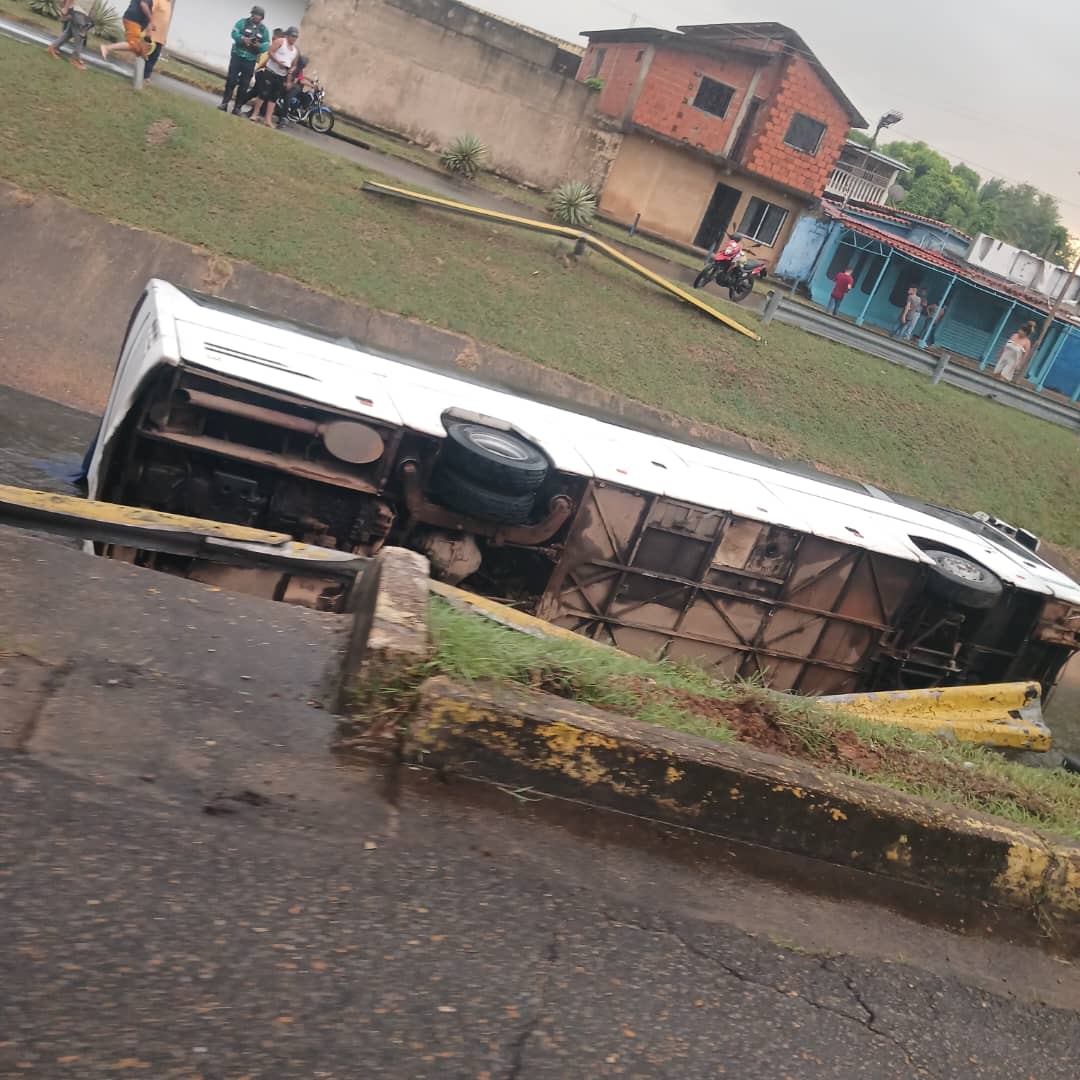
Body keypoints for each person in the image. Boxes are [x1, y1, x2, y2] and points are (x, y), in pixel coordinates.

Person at [220, 6, 269, 114]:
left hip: (250, 60)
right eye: (255, 14)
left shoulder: (264, 30)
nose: (257, 17)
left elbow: (266, 45)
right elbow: (234, 33)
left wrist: (258, 45)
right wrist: (243, 39)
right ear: (251, 14)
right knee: (231, 80)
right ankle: (224, 103)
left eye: (259, 15)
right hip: (237, 55)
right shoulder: (242, 22)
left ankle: (237, 107)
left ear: (262, 17)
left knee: (244, 84)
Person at [252, 25, 299, 128]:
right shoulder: (281, 42)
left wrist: (290, 72)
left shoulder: (295, 50)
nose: (294, 39)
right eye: (292, 36)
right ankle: (255, 113)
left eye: (296, 37)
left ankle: (267, 119)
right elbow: (270, 52)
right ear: (288, 35)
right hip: (271, 71)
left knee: (274, 97)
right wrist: (278, 62)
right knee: (263, 93)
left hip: (281, 74)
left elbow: (294, 65)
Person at [101, 0, 154, 65]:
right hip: (134, 20)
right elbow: (143, 5)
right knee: (133, 45)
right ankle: (107, 48)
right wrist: (151, 20)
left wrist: (149, 27)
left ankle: (141, 54)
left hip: (134, 21)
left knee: (138, 48)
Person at [46, 0, 91, 70]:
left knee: (69, 33)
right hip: (77, 11)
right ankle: (75, 60)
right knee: (80, 37)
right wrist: (66, 8)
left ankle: (53, 47)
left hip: (82, 13)